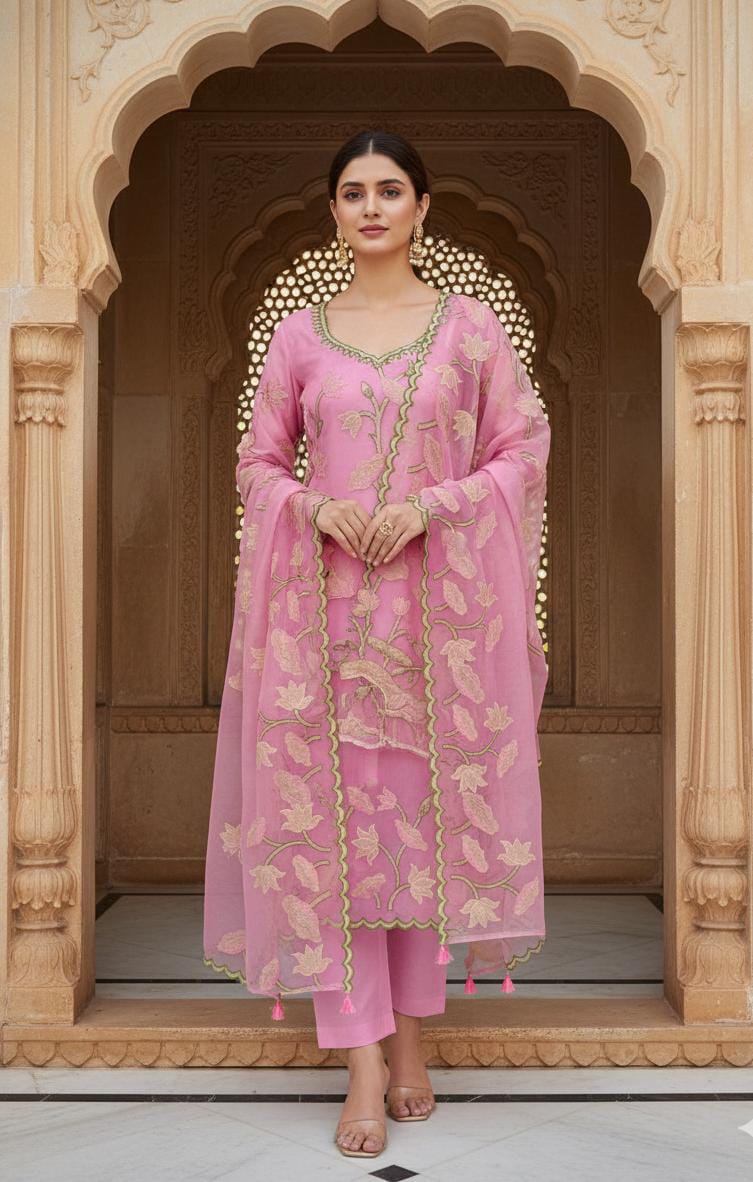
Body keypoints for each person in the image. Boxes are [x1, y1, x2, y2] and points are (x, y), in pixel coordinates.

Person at [203, 130, 551, 1159]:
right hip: (327, 627)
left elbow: (522, 447)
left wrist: (435, 506)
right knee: (341, 846)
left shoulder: (472, 332)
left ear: (423, 208)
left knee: (419, 841)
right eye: (352, 192)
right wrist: (312, 509)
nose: (370, 206)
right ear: (333, 213)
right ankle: (360, 1064)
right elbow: (256, 462)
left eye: (389, 190)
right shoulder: (302, 338)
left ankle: (412, 1047)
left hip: (439, 633)